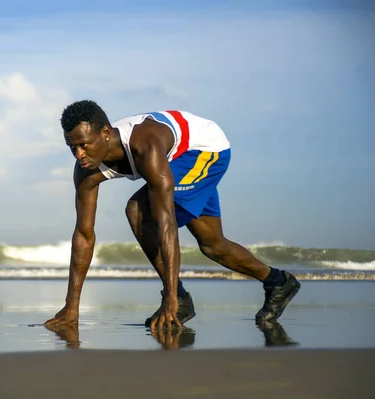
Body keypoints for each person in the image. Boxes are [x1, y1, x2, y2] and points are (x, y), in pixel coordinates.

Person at [44, 100, 301, 332]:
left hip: (205, 150)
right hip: (176, 157)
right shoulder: (85, 171)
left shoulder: (145, 147)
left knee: (138, 211)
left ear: (105, 134)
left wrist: (170, 297)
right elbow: (84, 235)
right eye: (72, 147)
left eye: (84, 145)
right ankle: (278, 281)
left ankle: (179, 299)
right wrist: (72, 307)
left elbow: (165, 223)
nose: (79, 155)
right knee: (213, 245)